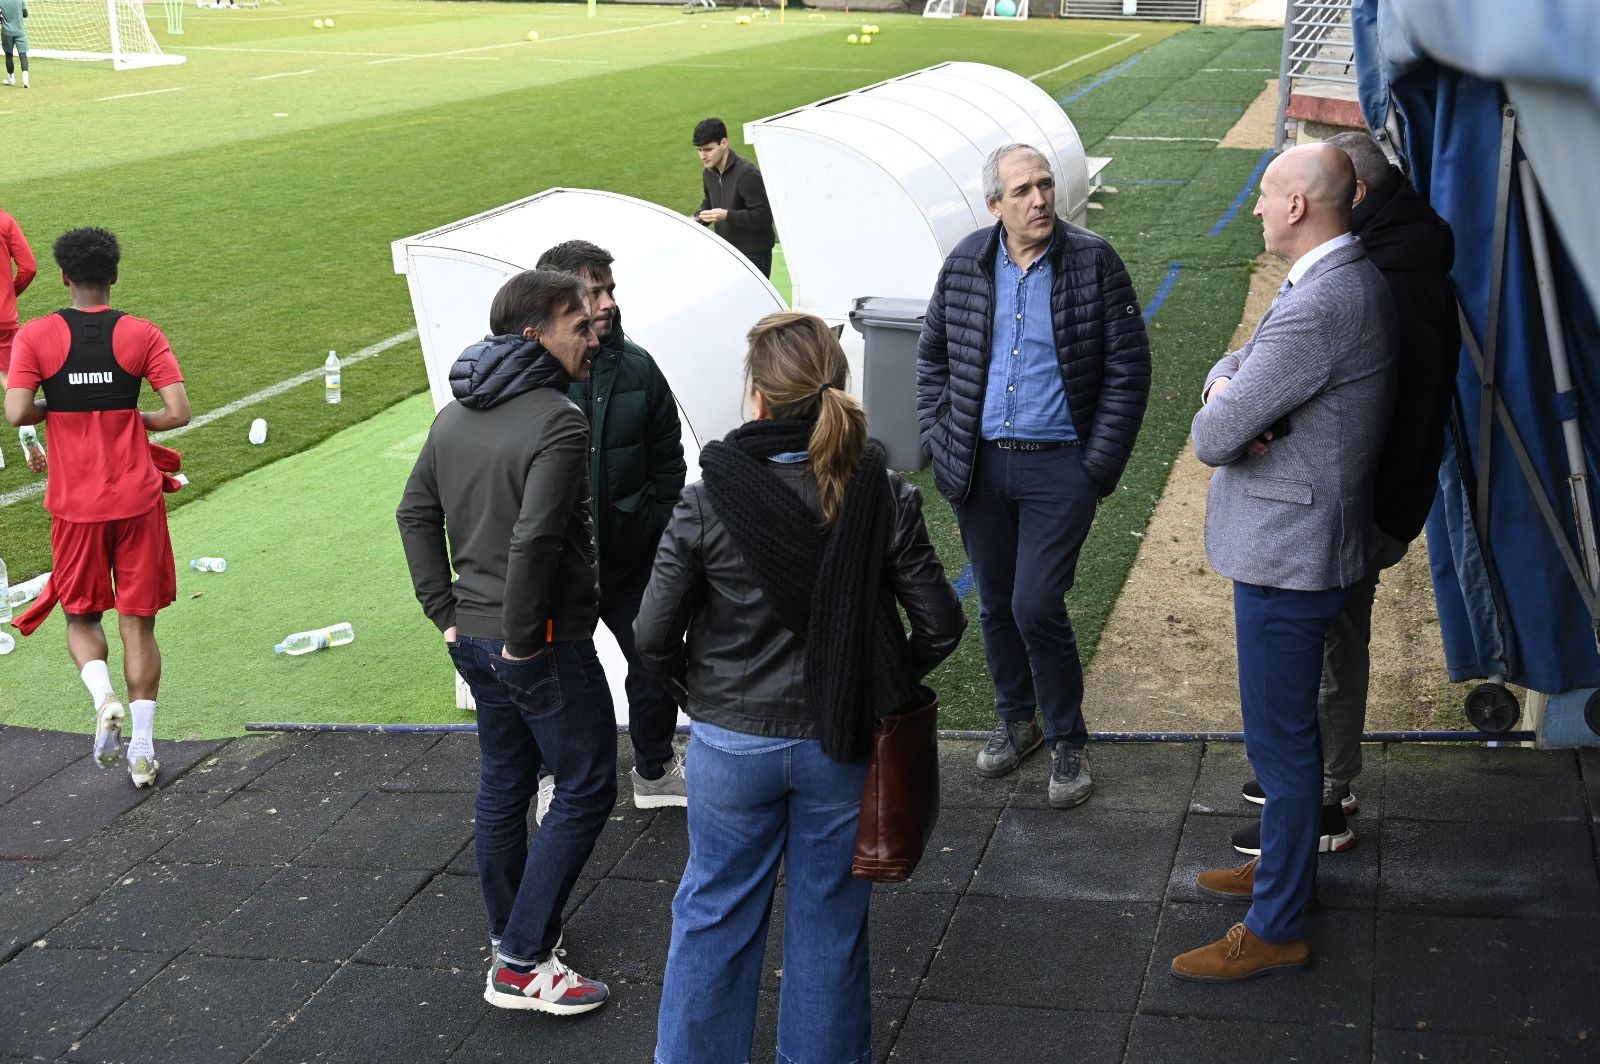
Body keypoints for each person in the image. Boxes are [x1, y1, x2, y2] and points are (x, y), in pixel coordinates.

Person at [637, 312, 965, 1064]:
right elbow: (941, 627)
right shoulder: (882, 492)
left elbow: (653, 635)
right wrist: (868, 680)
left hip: (730, 743)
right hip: (840, 743)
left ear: (755, 397)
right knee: (830, 921)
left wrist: (702, 697)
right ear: (836, 389)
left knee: (714, 916)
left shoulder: (707, 496)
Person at [1173, 143, 1398, 982]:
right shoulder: (1339, 282)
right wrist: (1230, 388)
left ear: (1299, 206)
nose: (1258, 208)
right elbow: (1237, 369)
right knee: (1290, 743)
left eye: (1266, 195)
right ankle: (1281, 876)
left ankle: (1274, 927)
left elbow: (1212, 438)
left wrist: (1230, 407)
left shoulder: (1319, 304)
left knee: (1282, 751)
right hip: (1308, 545)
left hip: (1289, 556)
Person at [1228, 131, 1460, 859]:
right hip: (1357, 502)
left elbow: (1382, 410)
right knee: (1326, 654)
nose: (1260, 211)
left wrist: (1258, 414)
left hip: (1347, 510)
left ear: (1348, 198)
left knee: (1328, 655)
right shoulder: (1388, 258)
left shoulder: (1376, 277)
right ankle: (1311, 791)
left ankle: (1322, 800)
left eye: (1269, 197)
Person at [396, 268, 617, 1015]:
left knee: (505, 784)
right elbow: (536, 540)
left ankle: (514, 940)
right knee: (586, 785)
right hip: (538, 643)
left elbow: (414, 515)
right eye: (578, 324)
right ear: (535, 335)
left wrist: (447, 616)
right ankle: (522, 960)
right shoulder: (558, 418)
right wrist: (523, 642)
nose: (594, 333)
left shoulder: (452, 416)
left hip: (476, 639)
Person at [915, 142, 1150, 806]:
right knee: (994, 603)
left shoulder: (1094, 261)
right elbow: (932, 353)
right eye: (1022, 190)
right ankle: (1016, 720)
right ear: (995, 204)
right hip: (981, 468)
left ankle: (1068, 738)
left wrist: (1094, 465)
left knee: (1035, 602)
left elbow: (1129, 370)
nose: (1040, 198)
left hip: (1059, 469)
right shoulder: (965, 262)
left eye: (1044, 185)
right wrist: (940, 434)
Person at [4, 227, 191, 788]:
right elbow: (177, 412)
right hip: (136, 501)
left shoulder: (37, 335)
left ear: (63, 276)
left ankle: (102, 694)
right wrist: (134, 419)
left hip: (75, 505)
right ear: (114, 274)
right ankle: (141, 749)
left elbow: (16, 413)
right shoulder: (141, 334)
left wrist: (57, 404)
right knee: (140, 625)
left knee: (82, 616)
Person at [535, 239, 688, 811]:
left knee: (655, 660)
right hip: (558, 570)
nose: (606, 302)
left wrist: (648, 522)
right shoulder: (529, 374)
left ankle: (653, 771)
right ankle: (556, 778)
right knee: (559, 679)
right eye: (592, 291)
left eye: (609, 290)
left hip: (630, 560)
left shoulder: (640, 368)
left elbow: (669, 463)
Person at [693, 117, 776, 277]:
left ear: (724, 143)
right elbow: (709, 201)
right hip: (728, 251)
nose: (703, 156)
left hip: (754, 254)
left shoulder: (747, 173)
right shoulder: (708, 172)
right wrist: (700, 218)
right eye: (699, 150)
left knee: (753, 302)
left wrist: (726, 215)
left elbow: (764, 216)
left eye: (708, 149)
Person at [0, 205, 37, 391]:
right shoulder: (4, 220)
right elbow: (29, 268)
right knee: (8, 375)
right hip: (2, 315)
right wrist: (8, 295)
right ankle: (26, 420)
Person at [0, 0, 28, 89]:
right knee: (23, 55)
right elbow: (25, 14)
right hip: (20, 31)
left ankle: (11, 79)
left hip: (7, 32)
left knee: (8, 55)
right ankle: (25, 81)